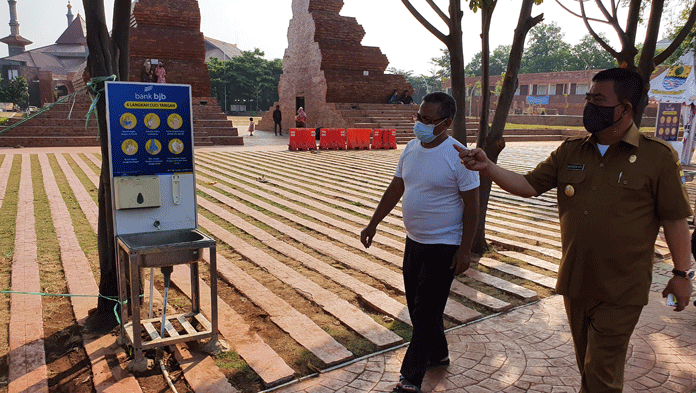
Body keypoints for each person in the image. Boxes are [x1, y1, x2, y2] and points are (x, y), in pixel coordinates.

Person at [457, 68, 693, 393]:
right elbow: (527, 185)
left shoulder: (657, 157)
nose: (590, 106)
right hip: (577, 280)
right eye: (589, 98)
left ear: (624, 109)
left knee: (600, 377)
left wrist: (682, 274)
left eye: (599, 100)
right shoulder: (571, 151)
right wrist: (489, 166)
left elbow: (675, 220)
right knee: (589, 368)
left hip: (622, 287)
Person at [361, 92, 480, 393]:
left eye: (428, 120)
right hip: (414, 242)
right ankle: (438, 353)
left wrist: (465, 249)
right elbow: (396, 187)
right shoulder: (411, 148)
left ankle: (410, 379)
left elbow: (473, 207)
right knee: (418, 307)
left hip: (444, 245)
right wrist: (373, 223)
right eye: (419, 117)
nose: (421, 124)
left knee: (426, 312)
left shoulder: (459, 156)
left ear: (447, 122)